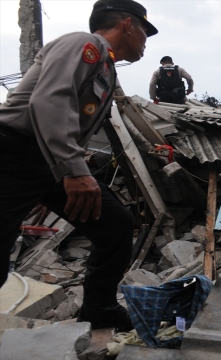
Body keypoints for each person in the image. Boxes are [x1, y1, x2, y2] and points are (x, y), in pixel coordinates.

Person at [0, 0, 158, 331]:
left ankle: (99, 310)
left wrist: (74, 161)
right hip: (11, 155)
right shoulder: (83, 45)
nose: (146, 39)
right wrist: (74, 169)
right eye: (145, 30)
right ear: (127, 24)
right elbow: (49, 101)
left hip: (47, 162)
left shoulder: (106, 66)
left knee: (115, 225)